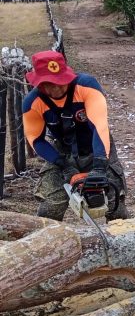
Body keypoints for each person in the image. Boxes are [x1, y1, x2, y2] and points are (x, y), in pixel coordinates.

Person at [22, 50, 128, 221]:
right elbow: (36, 139)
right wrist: (64, 165)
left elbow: (99, 126)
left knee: (115, 202)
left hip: (97, 144)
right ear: (39, 83)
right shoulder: (32, 102)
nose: (56, 87)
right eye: (50, 83)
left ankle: (124, 238)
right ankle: (49, 240)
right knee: (50, 206)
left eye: (60, 81)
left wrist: (100, 164)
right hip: (62, 151)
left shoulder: (86, 86)